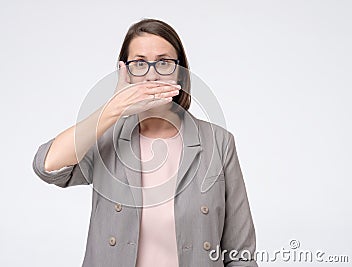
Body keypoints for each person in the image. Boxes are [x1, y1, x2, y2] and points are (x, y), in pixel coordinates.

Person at [32, 18, 258, 267]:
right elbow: (47, 166)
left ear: (181, 72)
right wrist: (113, 108)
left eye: (164, 62)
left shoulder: (218, 142)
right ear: (125, 73)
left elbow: (240, 254)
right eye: (139, 63)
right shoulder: (107, 136)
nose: (152, 75)